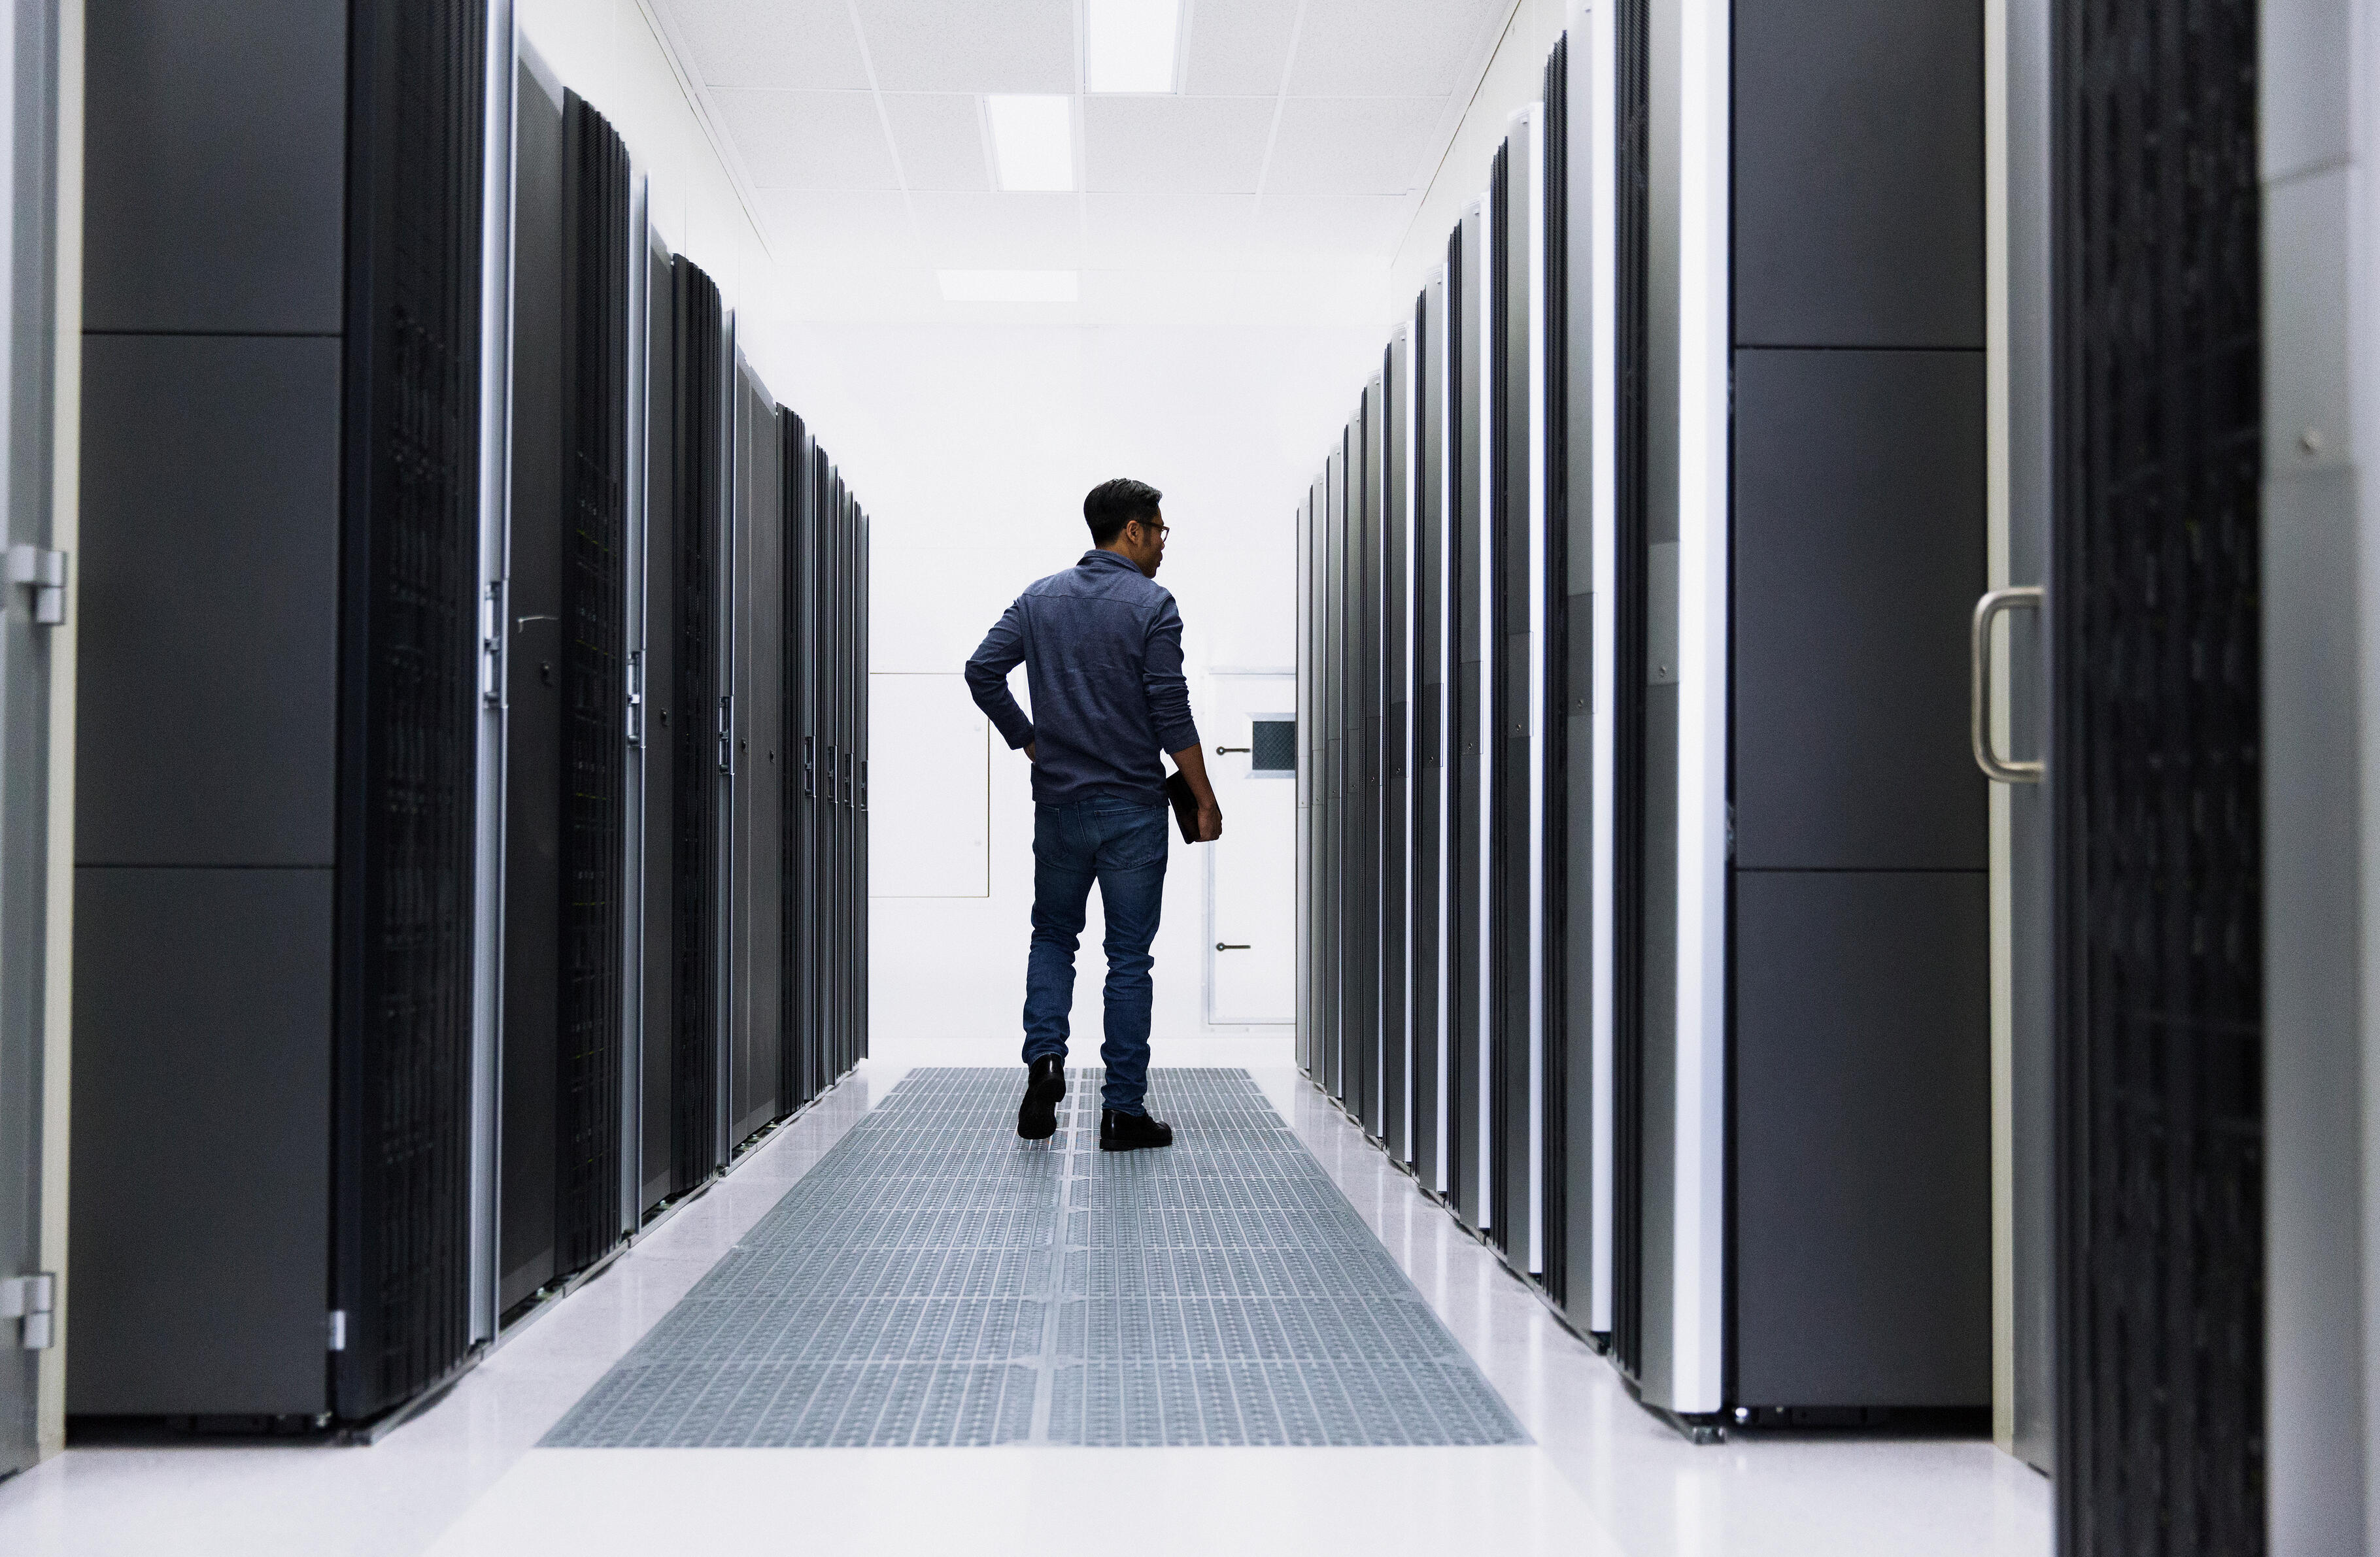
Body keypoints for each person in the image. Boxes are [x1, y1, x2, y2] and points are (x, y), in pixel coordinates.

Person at [964, 478, 1223, 1150]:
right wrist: (1202, 796)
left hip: (1058, 806)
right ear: (1132, 531)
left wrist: (1028, 739)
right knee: (1128, 958)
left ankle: (1045, 1061)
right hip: (1133, 809)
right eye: (1160, 529)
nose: (1165, 542)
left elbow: (981, 671)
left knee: (1053, 937)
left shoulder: (1038, 599)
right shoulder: (1152, 605)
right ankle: (1121, 1112)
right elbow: (1171, 713)